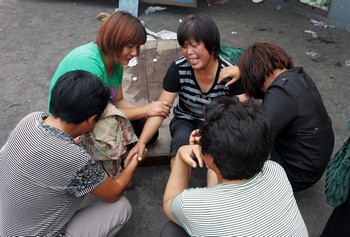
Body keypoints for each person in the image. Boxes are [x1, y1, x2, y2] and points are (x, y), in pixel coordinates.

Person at [0, 70, 146, 236]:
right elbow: (113, 192)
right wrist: (134, 160)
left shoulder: (30, 120)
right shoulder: (75, 158)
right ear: (91, 120)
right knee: (121, 207)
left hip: (7, 225)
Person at [160, 97, 308, 237]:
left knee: (171, 231)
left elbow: (169, 203)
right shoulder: (276, 171)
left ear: (209, 157)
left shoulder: (194, 206)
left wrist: (181, 155)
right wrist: (211, 149)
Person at [125, 13, 248, 167]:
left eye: (195, 45)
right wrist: (141, 142)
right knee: (181, 141)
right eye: (184, 46)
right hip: (186, 120)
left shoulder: (229, 72)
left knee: (219, 150)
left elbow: (244, 112)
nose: (189, 52)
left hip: (218, 124)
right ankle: (177, 191)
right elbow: (161, 109)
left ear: (212, 45)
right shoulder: (178, 69)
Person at [216, 42, 334, 192]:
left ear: (255, 73)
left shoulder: (281, 93)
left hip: (298, 174)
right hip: (315, 159)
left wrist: (238, 103)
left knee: (239, 146)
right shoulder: (297, 76)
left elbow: (253, 136)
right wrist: (243, 70)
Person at [47, 10, 172, 144]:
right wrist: (145, 110)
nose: (135, 53)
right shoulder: (88, 62)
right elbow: (101, 114)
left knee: (148, 131)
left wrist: (149, 112)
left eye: (137, 47)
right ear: (114, 40)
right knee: (122, 139)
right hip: (76, 123)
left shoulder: (116, 61)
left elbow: (117, 100)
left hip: (98, 115)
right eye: (130, 46)